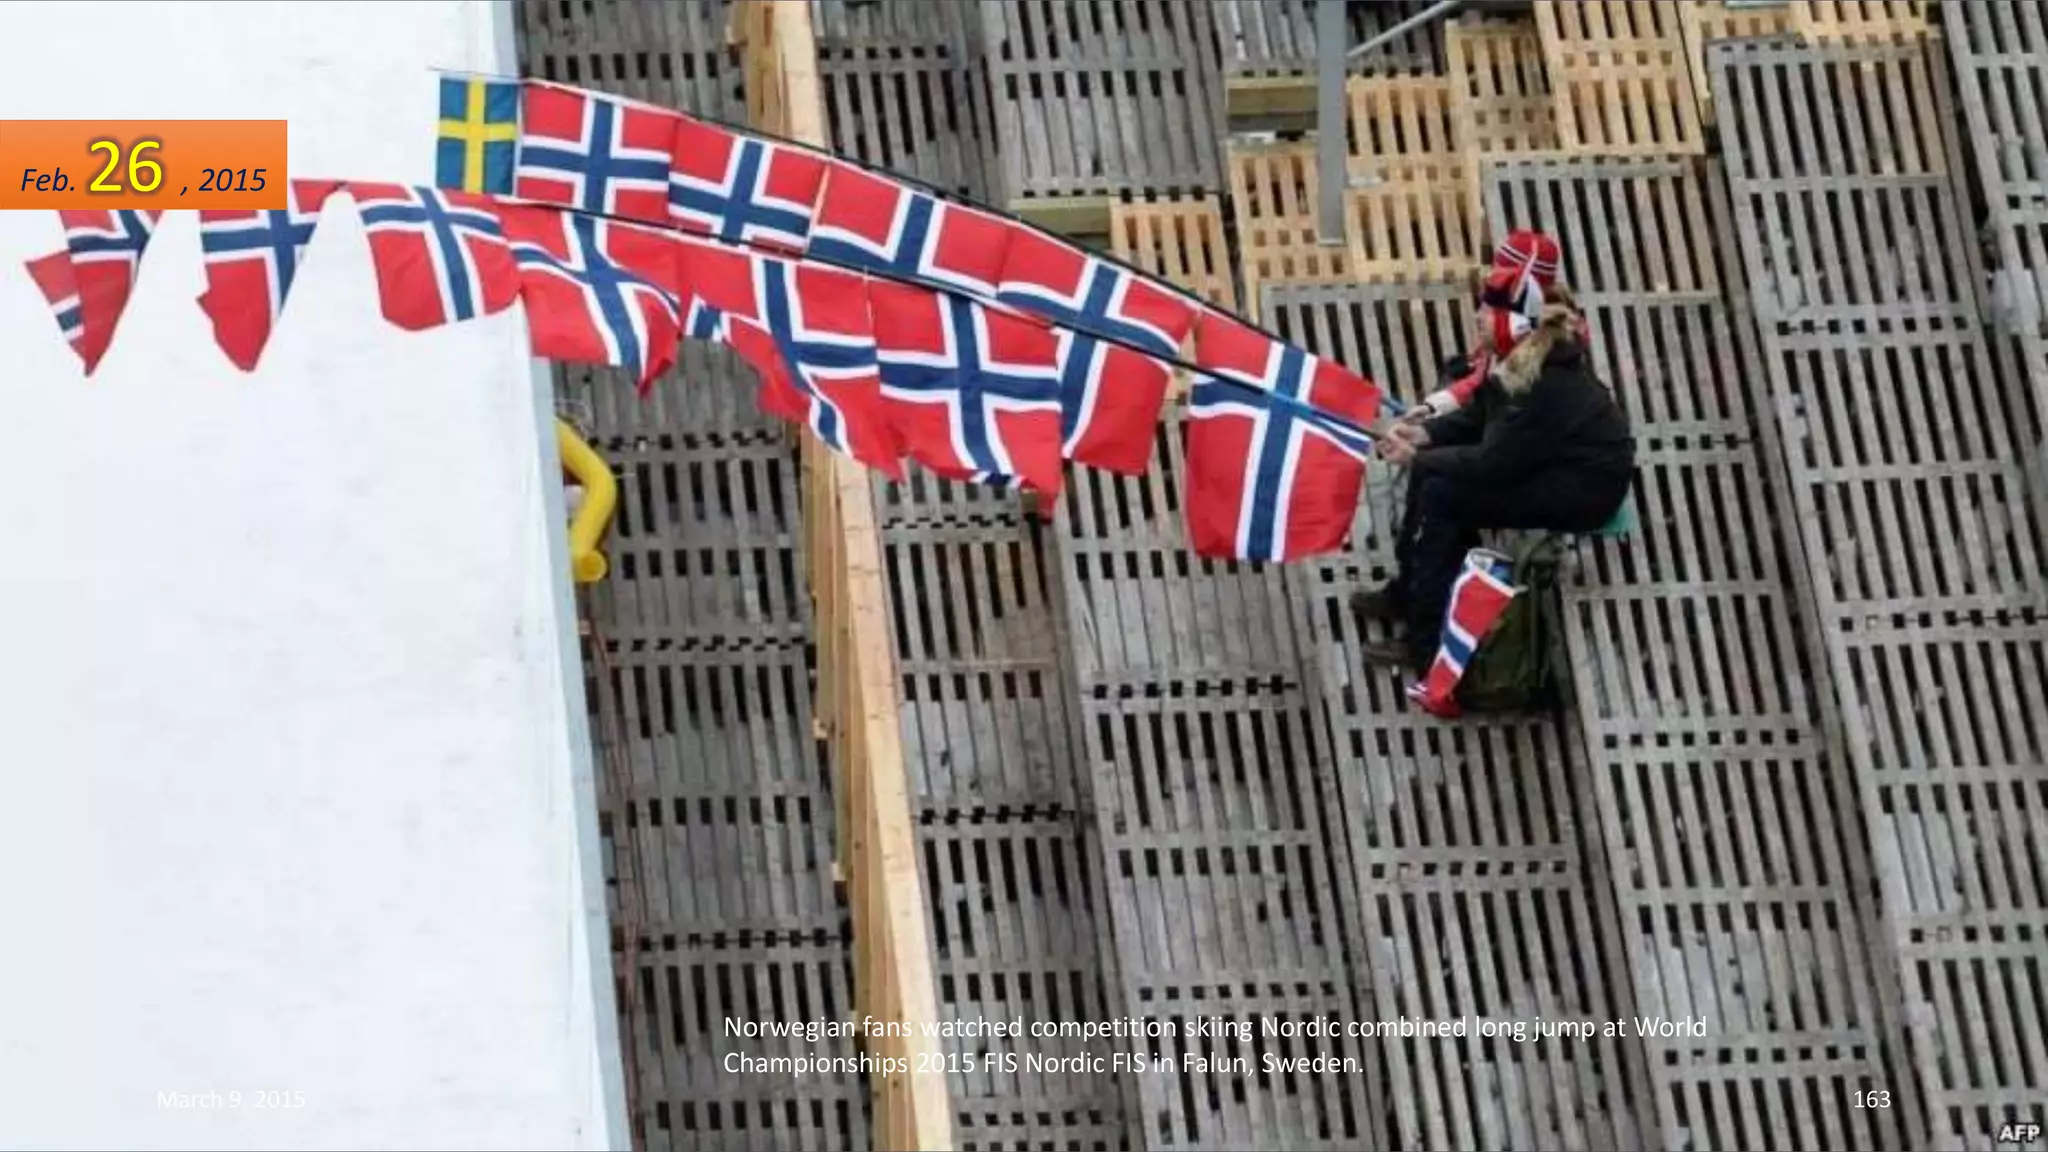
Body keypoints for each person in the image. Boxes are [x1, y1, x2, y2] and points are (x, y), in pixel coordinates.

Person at [1352, 230, 1635, 671]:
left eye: (1488, 309)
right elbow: (1477, 414)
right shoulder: (1521, 356)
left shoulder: (1540, 379)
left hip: (1583, 488)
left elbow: (1492, 463)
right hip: (1549, 460)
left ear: (1514, 322)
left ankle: (1426, 646)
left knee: (1443, 496)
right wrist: (1424, 435)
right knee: (1433, 475)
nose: (1478, 316)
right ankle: (1409, 593)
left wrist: (1418, 457)